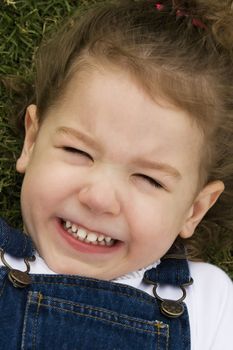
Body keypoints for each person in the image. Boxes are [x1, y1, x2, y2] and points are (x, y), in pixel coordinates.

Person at [0, 0, 232, 349]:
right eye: (78, 152)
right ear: (31, 142)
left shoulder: (210, 301)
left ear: (194, 210)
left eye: (149, 179)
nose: (99, 199)